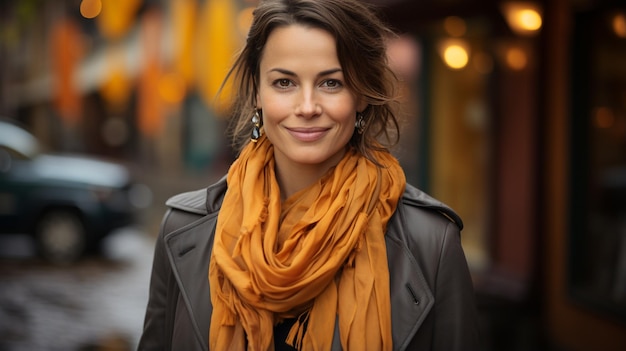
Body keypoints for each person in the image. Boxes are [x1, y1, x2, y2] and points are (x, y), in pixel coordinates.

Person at [138, 0, 480, 350]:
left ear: (360, 94)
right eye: (284, 83)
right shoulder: (183, 229)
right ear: (257, 92)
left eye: (330, 83)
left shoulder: (432, 244)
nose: (306, 107)